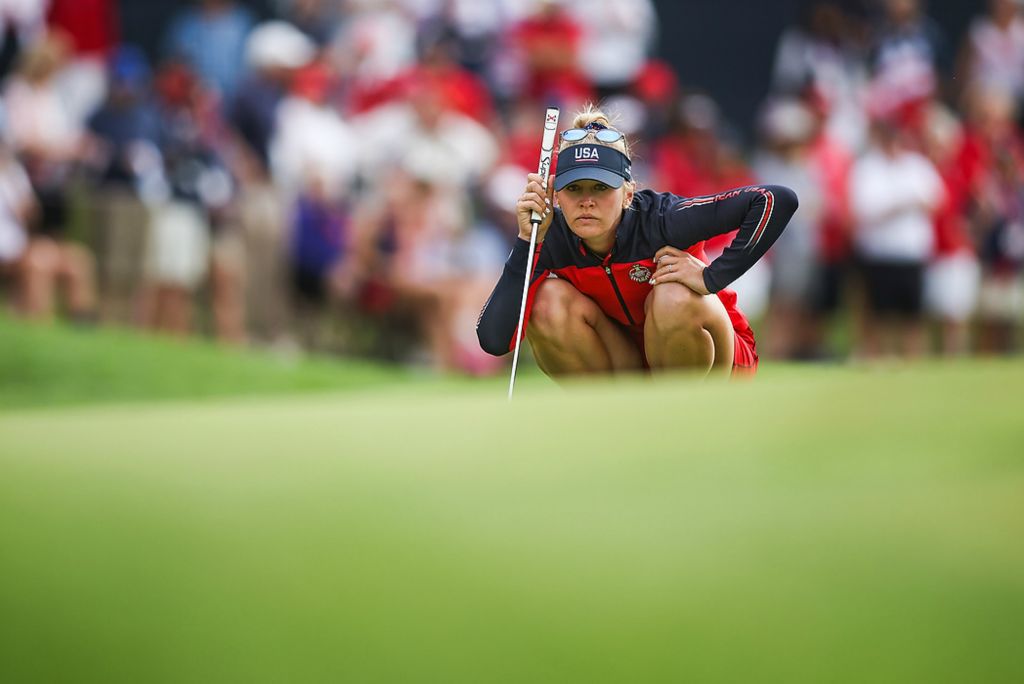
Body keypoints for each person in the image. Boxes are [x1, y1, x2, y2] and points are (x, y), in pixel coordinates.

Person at [476, 105, 798, 378]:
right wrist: (526, 240)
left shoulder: (662, 218)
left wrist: (709, 277)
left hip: (719, 365)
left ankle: (690, 420)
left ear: (628, 193)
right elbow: (493, 339)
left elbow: (774, 200)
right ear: (556, 194)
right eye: (574, 189)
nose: (587, 201)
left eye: (601, 188)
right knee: (546, 301)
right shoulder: (551, 235)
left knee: (671, 295)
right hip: (631, 365)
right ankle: (618, 429)